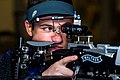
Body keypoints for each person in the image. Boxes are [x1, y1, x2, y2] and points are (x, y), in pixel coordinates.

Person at [0, 0, 78, 80]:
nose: (58, 39)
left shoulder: (84, 60)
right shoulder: (9, 63)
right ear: (29, 28)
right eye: (48, 28)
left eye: (65, 29)